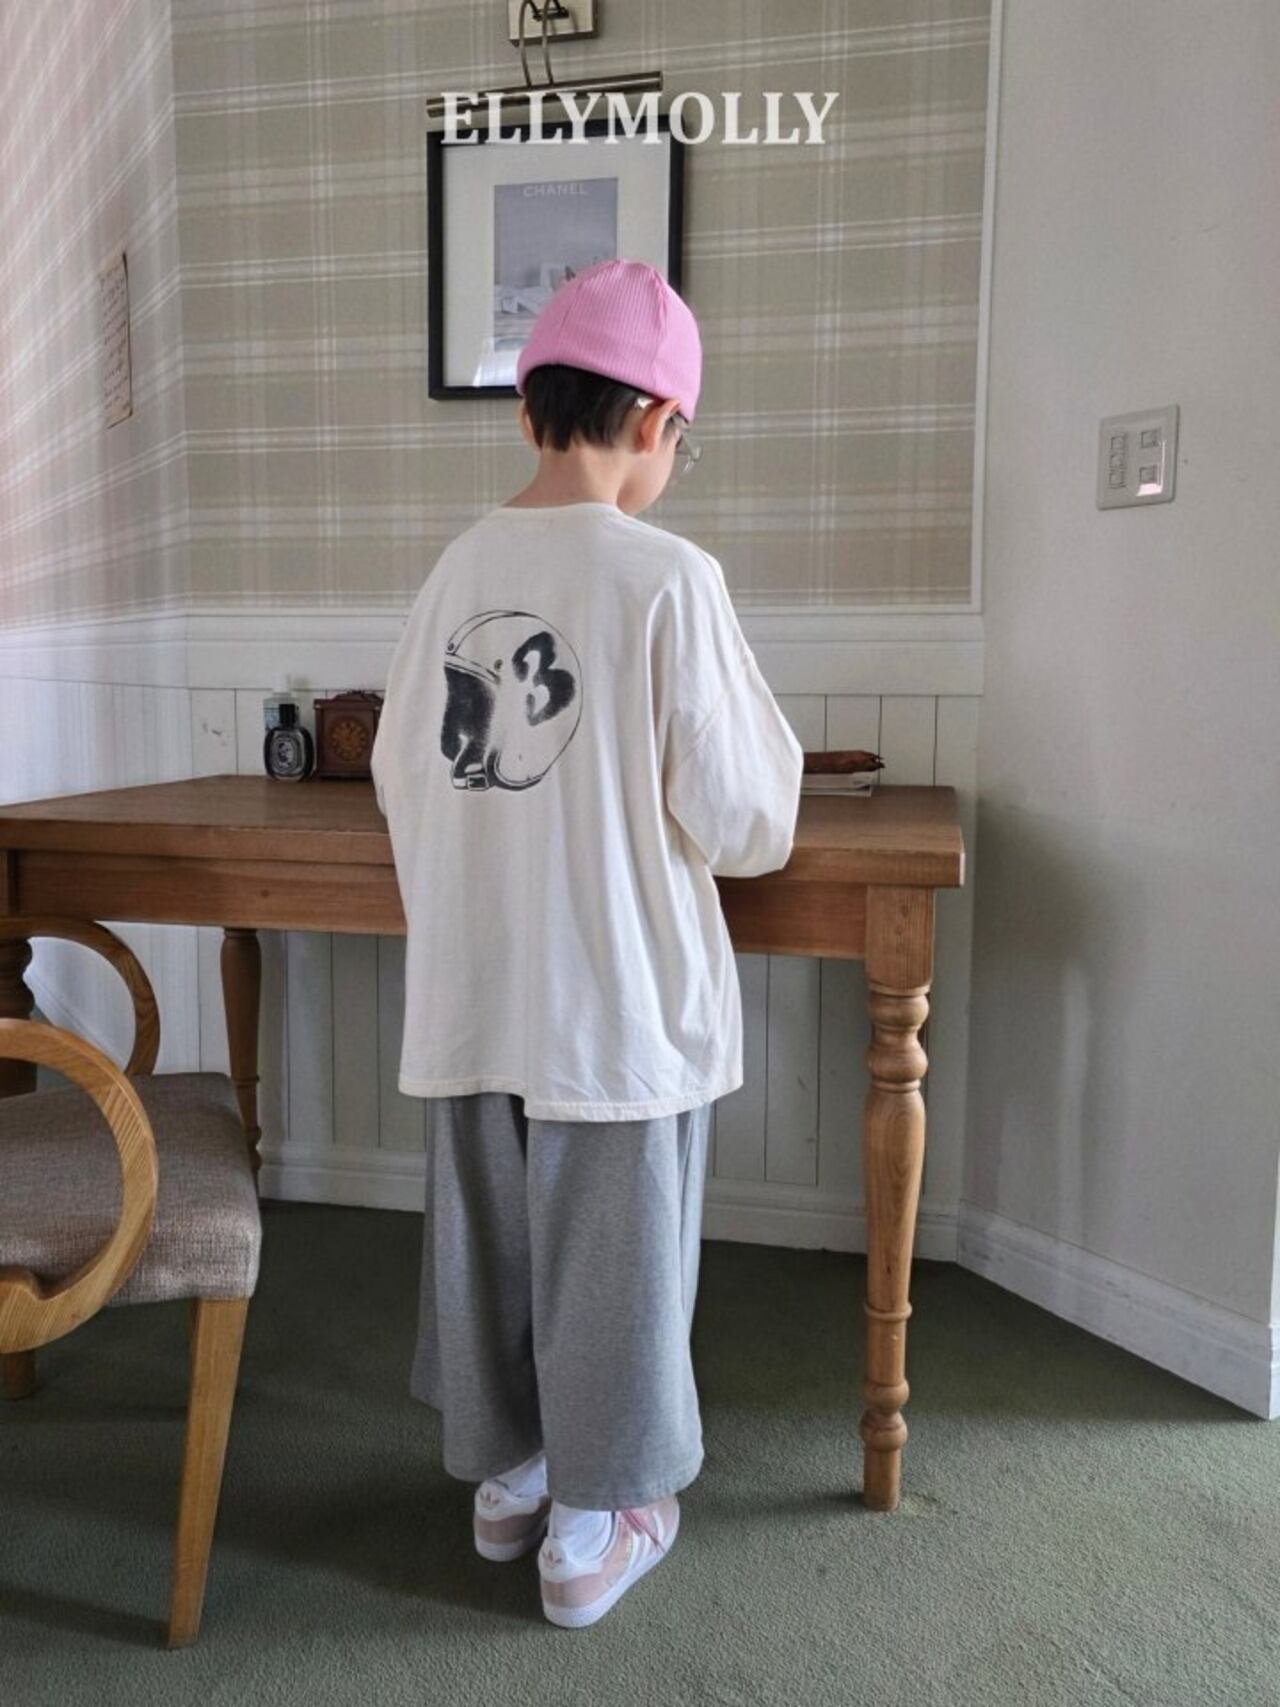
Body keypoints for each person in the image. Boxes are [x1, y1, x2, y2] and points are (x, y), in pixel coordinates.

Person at [369, 258, 804, 1629]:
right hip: (613, 1003)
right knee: (615, 1265)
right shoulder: (670, 578)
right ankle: (594, 1524)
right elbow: (746, 818)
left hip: (474, 991)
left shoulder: (456, 570)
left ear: (528, 414)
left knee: (492, 1239)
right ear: (662, 423)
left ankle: (511, 1475)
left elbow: (400, 769)